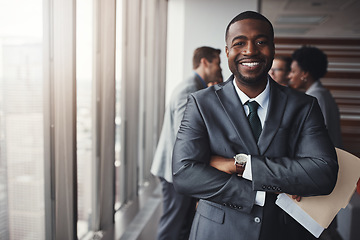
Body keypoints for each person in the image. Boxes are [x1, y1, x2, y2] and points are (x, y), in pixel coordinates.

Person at [172, 11, 338, 240]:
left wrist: (240, 166)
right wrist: (265, 191)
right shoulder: (202, 103)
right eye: (240, 43)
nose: (250, 50)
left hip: (282, 231)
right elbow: (184, 174)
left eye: (261, 42)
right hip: (217, 232)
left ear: (273, 48)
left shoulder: (304, 106)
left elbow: (323, 174)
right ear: (228, 51)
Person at [151, 46, 222, 240]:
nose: (220, 68)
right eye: (217, 63)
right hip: (176, 172)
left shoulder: (196, 87)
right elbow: (184, 137)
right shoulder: (190, 89)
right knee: (173, 224)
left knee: (184, 224)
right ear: (205, 62)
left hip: (182, 171)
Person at [288, 46, 342, 148]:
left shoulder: (315, 97)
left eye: (293, 71)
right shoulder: (322, 93)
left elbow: (316, 135)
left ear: (304, 74)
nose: (289, 76)